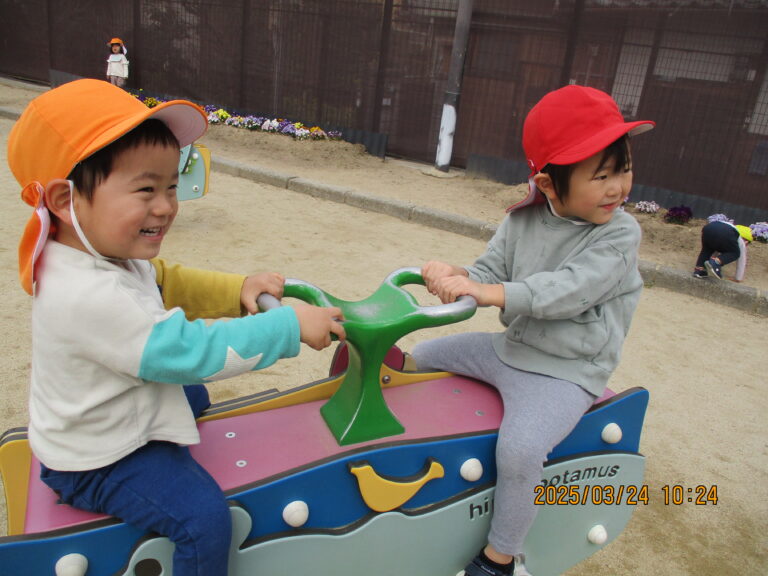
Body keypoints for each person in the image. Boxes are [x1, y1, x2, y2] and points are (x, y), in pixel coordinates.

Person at [7, 78, 345, 576]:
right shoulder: (84, 293)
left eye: (171, 186)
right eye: (146, 189)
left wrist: (237, 289)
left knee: (193, 394)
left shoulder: (100, 250)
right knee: (204, 519)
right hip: (97, 458)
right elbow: (186, 350)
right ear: (64, 200)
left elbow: (165, 281)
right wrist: (287, 327)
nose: (166, 206)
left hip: (105, 410)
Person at [410, 85, 654, 576]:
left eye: (622, 168)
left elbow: (569, 290)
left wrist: (491, 293)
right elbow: (488, 271)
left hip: (566, 373)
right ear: (546, 184)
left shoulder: (619, 234)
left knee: (520, 450)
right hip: (511, 350)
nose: (618, 187)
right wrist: (452, 275)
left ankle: (499, 557)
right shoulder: (523, 219)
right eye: (601, 175)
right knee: (423, 357)